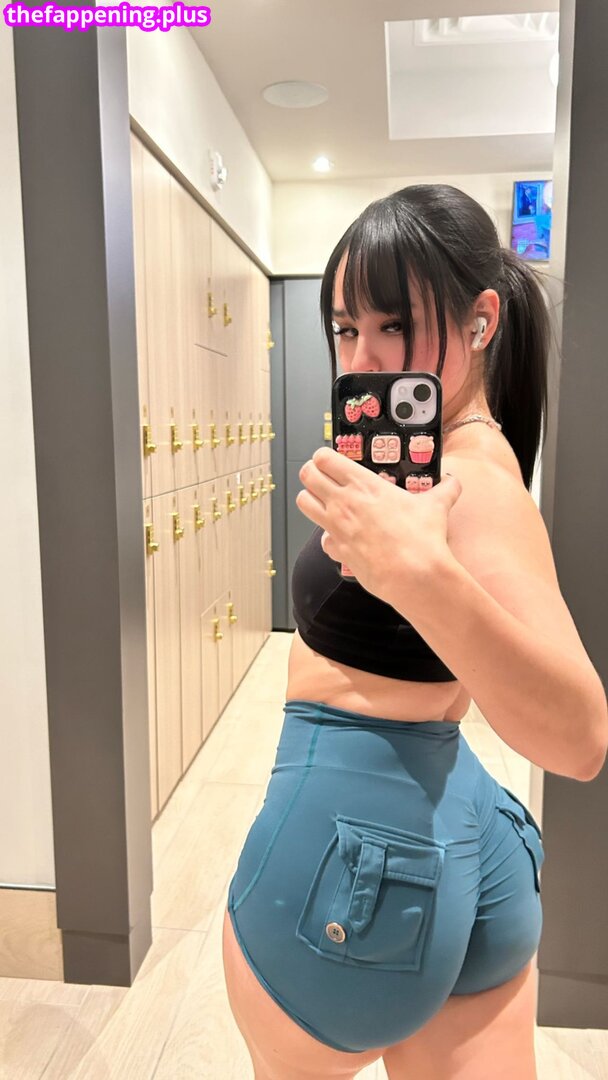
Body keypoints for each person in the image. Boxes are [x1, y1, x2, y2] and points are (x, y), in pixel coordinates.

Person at [222, 185, 607, 1080]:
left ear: (482, 321)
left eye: (393, 325)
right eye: (345, 328)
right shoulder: (463, 457)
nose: (363, 357)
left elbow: (581, 737)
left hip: (344, 868)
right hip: (460, 831)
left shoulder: (471, 485)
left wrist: (417, 575)